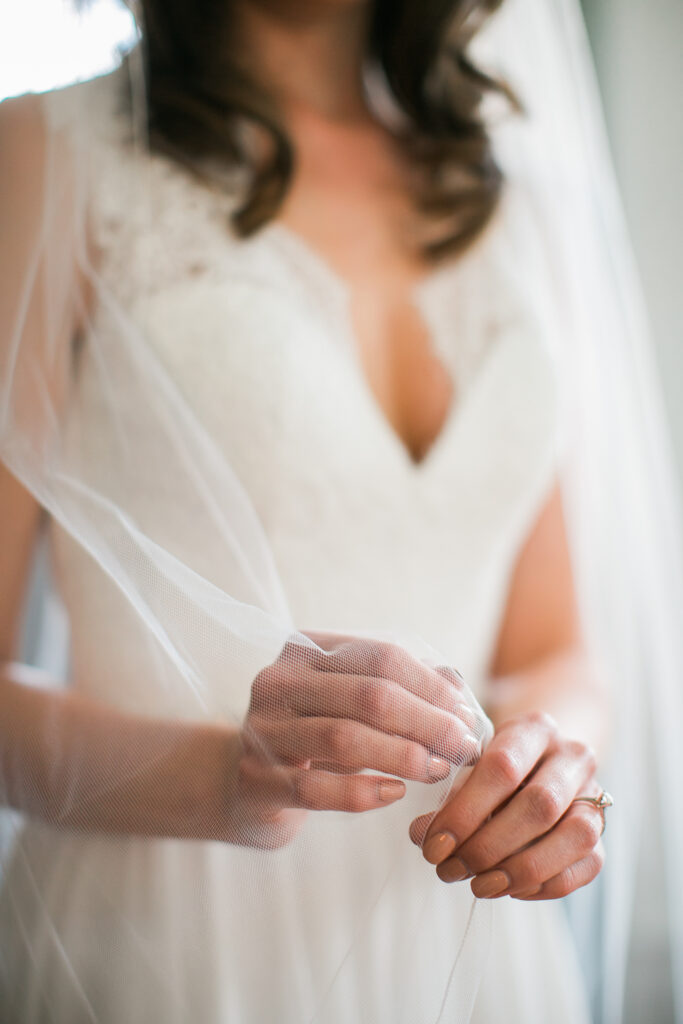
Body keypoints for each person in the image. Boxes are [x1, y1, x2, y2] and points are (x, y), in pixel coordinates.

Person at [0, 1, 618, 1021]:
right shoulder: (43, 156)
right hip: (161, 951)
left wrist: (546, 768)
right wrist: (223, 777)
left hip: (476, 954)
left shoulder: (515, 206)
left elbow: (556, 644)